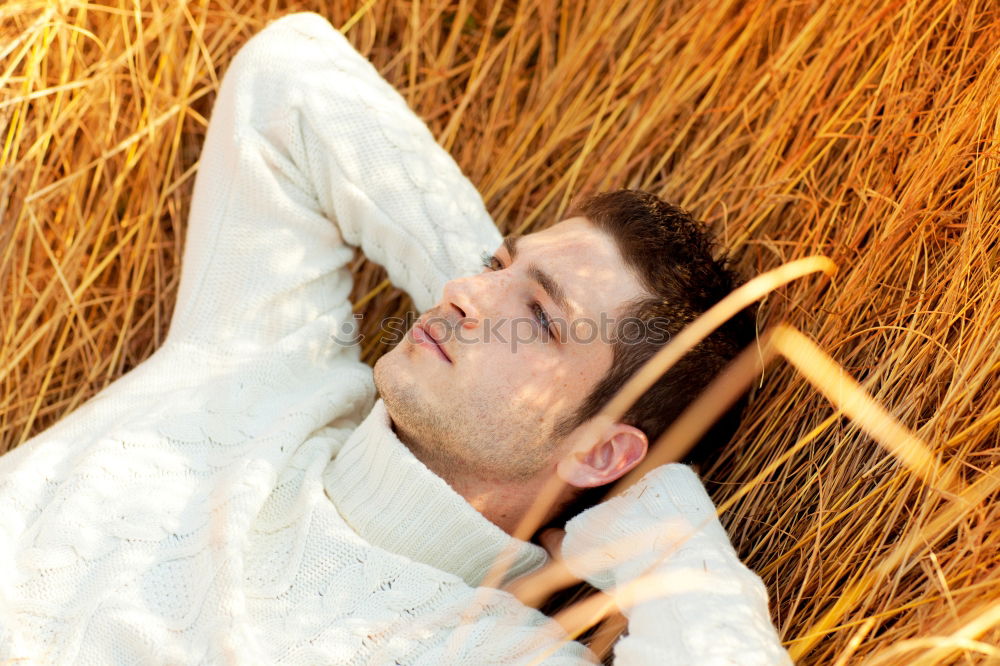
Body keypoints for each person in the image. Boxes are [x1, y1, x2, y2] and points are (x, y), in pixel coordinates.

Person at [0, 12, 790, 664]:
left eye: (542, 318)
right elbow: (290, 75)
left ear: (600, 451)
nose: (463, 292)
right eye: (493, 263)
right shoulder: (269, 356)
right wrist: (492, 298)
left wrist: (653, 515)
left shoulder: (505, 653)